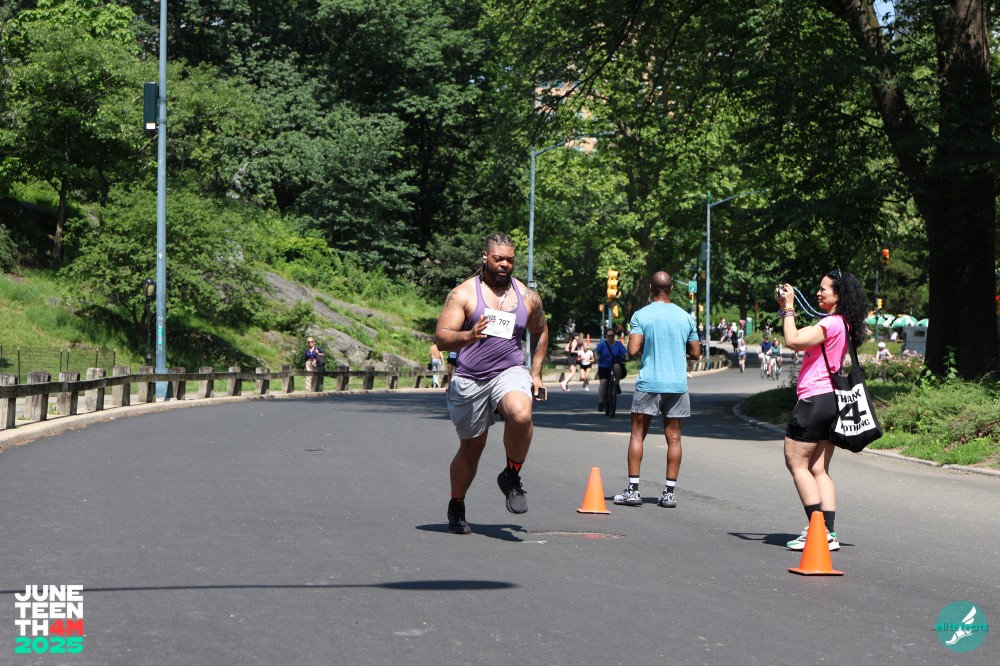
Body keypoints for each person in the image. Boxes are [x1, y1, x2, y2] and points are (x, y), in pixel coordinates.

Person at [434, 232, 549, 535]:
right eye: (498, 258)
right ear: (485, 257)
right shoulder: (463, 294)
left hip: (509, 371)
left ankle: (511, 475)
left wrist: (536, 373)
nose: (504, 264)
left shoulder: (526, 296)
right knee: (472, 448)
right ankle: (457, 502)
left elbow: (540, 330)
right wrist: (469, 335)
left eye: (510, 259)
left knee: (521, 414)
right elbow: (442, 337)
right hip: (470, 378)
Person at [776, 269, 868, 552]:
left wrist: (789, 307)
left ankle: (818, 529)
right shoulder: (842, 323)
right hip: (831, 401)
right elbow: (799, 336)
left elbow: (792, 341)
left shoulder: (831, 323)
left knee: (796, 463)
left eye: (823, 289)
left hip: (814, 399)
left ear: (838, 296)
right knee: (819, 468)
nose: (818, 293)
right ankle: (828, 532)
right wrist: (785, 310)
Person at [612, 271, 700, 508]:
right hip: (677, 385)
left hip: (649, 383)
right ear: (672, 289)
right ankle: (669, 494)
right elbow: (696, 353)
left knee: (637, 435)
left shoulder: (641, 315)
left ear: (651, 288)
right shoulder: (686, 317)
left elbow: (632, 350)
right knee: (674, 439)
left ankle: (633, 491)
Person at [595, 329, 628, 412]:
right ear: (606, 336)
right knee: (603, 382)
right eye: (609, 336)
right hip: (604, 365)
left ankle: (616, 384)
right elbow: (595, 352)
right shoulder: (603, 344)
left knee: (617, 366)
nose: (610, 337)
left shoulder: (618, 344)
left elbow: (625, 352)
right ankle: (601, 402)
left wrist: (626, 357)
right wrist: (597, 358)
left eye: (612, 336)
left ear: (614, 336)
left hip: (615, 363)